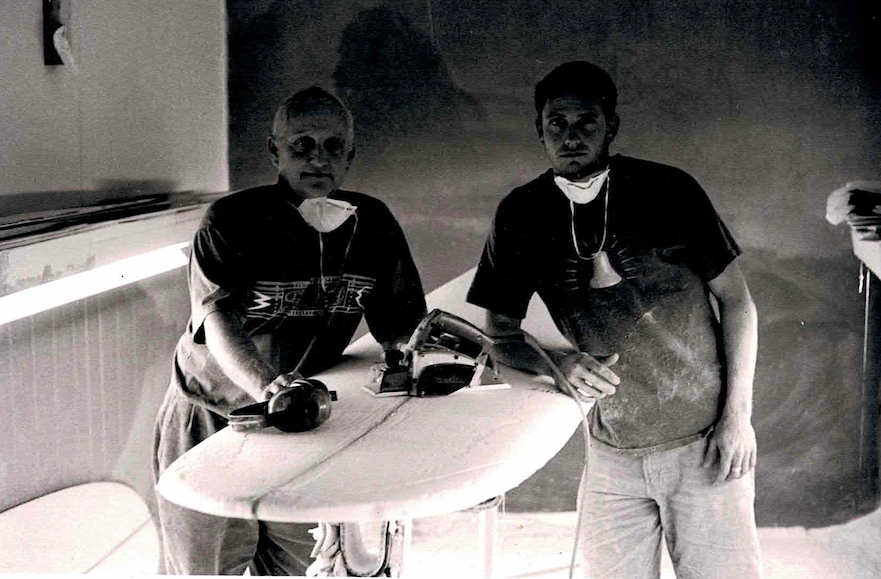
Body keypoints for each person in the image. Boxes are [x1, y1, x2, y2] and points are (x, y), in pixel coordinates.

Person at [467, 61, 761, 578]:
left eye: (587, 121)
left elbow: (738, 302)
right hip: (611, 457)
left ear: (611, 126)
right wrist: (559, 362)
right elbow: (500, 336)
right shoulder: (521, 213)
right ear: (539, 130)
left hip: (705, 447)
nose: (571, 136)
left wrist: (738, 419)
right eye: (557, 123)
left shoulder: (669, 189)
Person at [152, 87, 427, 575]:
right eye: (302, 145)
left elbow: (400, 326)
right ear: (274, 150)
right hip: (214, 414)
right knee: (206, 569)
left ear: (350, 155)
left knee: (301, 564)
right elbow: (217, 319)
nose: (318, 159)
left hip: (305, 421)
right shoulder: (231, 220)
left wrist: (414, 362)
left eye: (333, 146)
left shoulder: (373, 224)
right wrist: (269, 386)